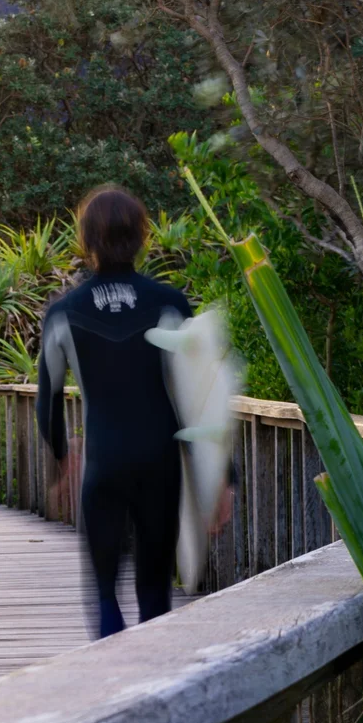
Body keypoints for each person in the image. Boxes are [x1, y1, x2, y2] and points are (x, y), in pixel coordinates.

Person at [37, 185, 229, 638]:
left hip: (103, 462)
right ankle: (154, 691)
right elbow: (203, 396)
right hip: (159, 462)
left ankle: (111, 688)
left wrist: (63, 458)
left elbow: (47, 402)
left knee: (104, 593)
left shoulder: (63, 312)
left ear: (86, 241)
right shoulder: (170, 303)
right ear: (143, 237)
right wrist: (223, 476)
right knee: (155, 594)